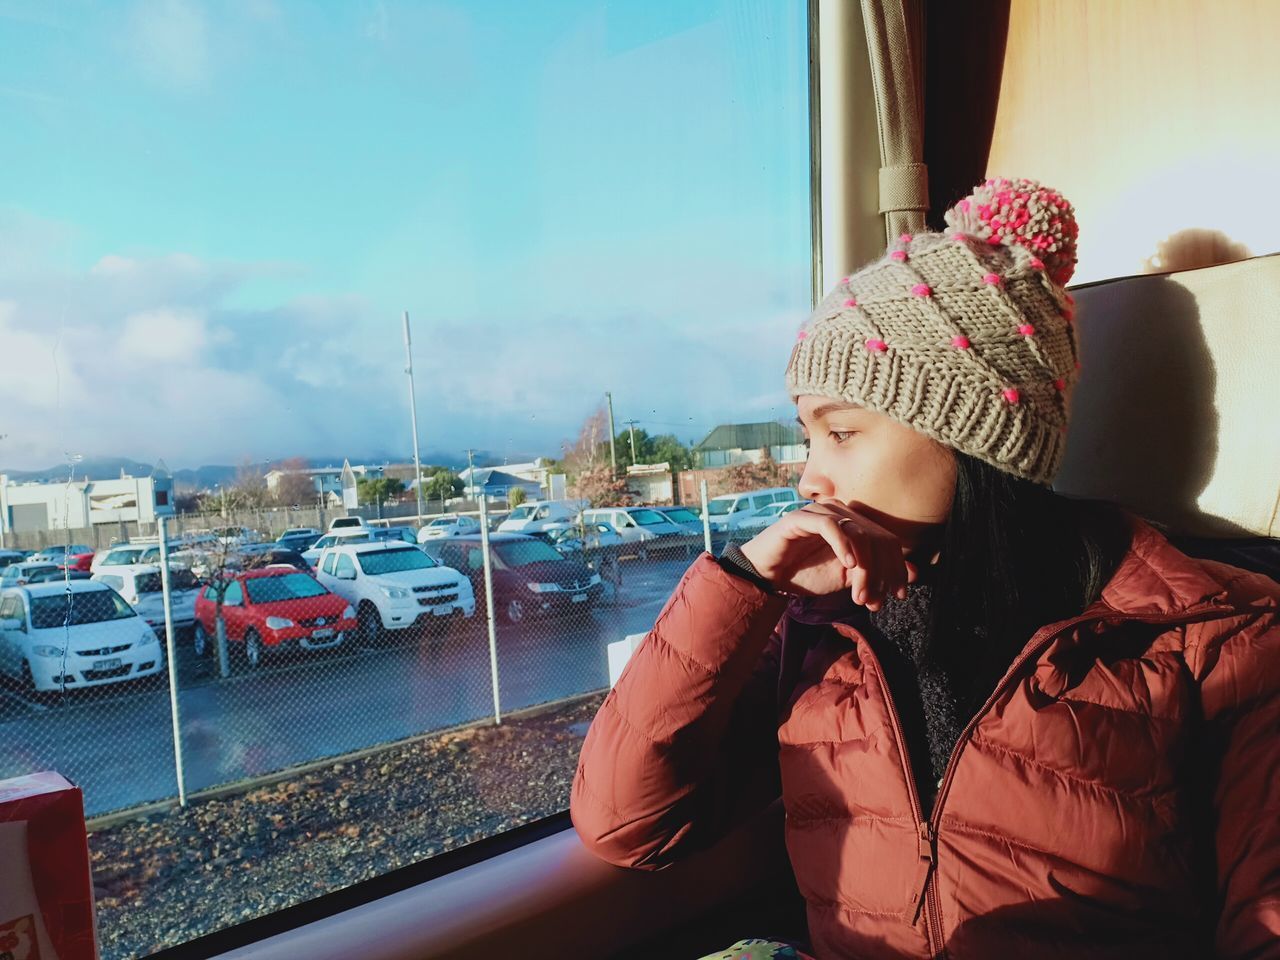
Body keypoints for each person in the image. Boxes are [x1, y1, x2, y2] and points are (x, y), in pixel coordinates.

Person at [569, 178, 1280, 958]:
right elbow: (627, 826)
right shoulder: (820, 628)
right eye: (808, 438)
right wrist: (743, 587)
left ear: (976, 437)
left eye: (840, 432)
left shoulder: (1216, 644)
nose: (809, 478)